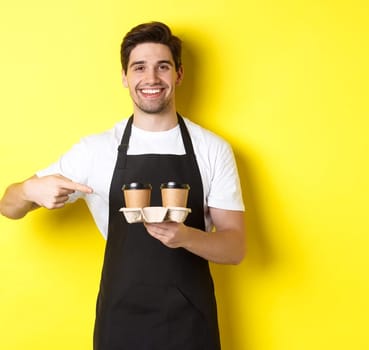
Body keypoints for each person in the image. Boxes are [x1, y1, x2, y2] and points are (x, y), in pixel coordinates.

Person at [0, 21, 245, 350]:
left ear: (179, 74)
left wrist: (185, 235)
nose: (151, 78)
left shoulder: (212, 149)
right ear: (125, 77)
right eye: (139, 67)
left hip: (190, 323)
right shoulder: (94, 151)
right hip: (120, 321)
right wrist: (30, 190)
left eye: (163, 66)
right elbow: (8, 207)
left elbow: (235, 248)